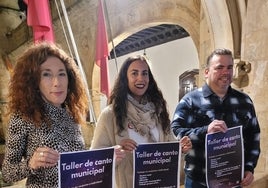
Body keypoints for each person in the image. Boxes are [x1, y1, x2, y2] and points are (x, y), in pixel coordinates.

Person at [90, 55, 192, 188]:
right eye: (134, 73)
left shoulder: (158, 112)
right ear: (125, 78)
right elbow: (94, 161)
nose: (141, 78)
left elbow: (169, 148)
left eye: (145, 73)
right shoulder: (110, 115)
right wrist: (116, 151)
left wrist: (181, 149)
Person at [2, 42, 89, 187]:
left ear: (69, 78)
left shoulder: (71, 114)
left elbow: (78, 164)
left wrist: (108, 158)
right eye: (47, 74)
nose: (57, 82)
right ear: (34, 81)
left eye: (61, 74)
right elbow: (7, 173)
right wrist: (31, 164)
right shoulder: (22, 117)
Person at [171, 48, 261, 188]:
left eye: (229, 67)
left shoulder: (245, 101)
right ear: (206, 72)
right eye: (219, 67)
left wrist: (249, 167)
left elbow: (253, 137)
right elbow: (177, 132)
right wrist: (205, 131)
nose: (226, 72)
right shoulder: (190, 100)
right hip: (198, 182)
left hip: (232, 182)